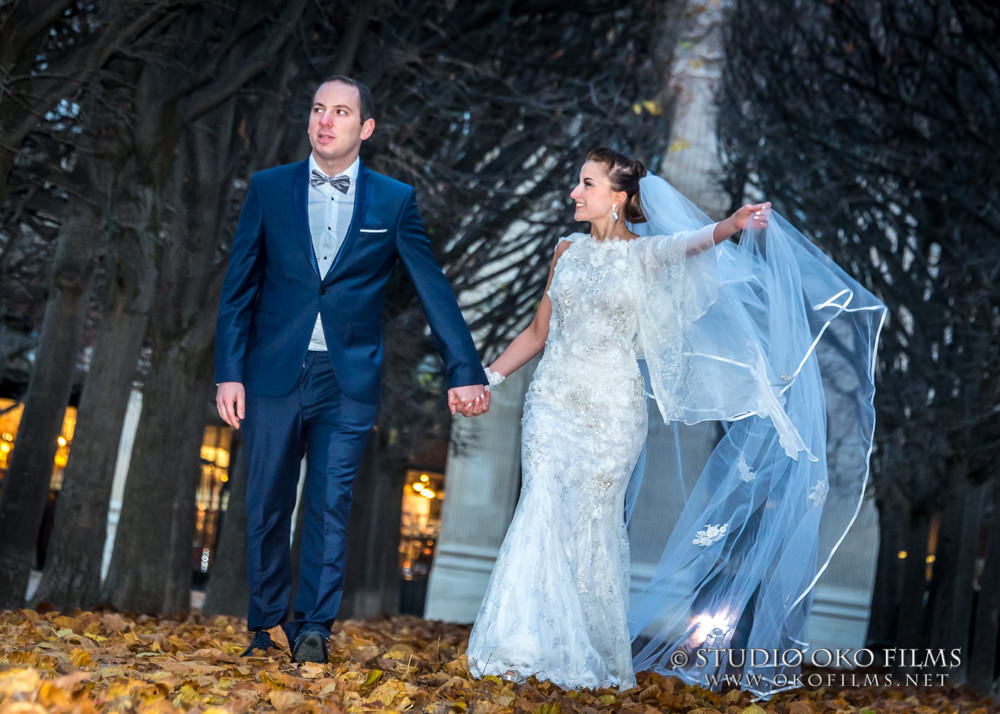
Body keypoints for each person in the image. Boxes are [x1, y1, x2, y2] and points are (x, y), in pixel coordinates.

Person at [466, 148, 884, 696]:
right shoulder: (564, 251)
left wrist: (730, 225)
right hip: (551, 404)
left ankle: (582, 648)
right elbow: (537, 334)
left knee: (592, 520)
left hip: (612, 412)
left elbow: (693, 243)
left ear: (618, 197)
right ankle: (521, 643)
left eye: (586, 184)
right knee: (540, 506)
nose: (574, 192)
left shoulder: (645, 256)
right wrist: (486, 379)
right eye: (577, 183)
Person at [214, 75, 489, 664]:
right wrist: (228, 372)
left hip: (348, 378)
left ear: (364, 128)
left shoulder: (394, 201)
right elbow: (238, 289)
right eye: (318, 109)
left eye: (340, 112)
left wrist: (463, 367)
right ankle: (265, 625)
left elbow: (432, 288)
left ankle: (314, 628)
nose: (325, 120)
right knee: (264, 502)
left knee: (330, 504)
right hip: (270, 374)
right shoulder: (268, 189)